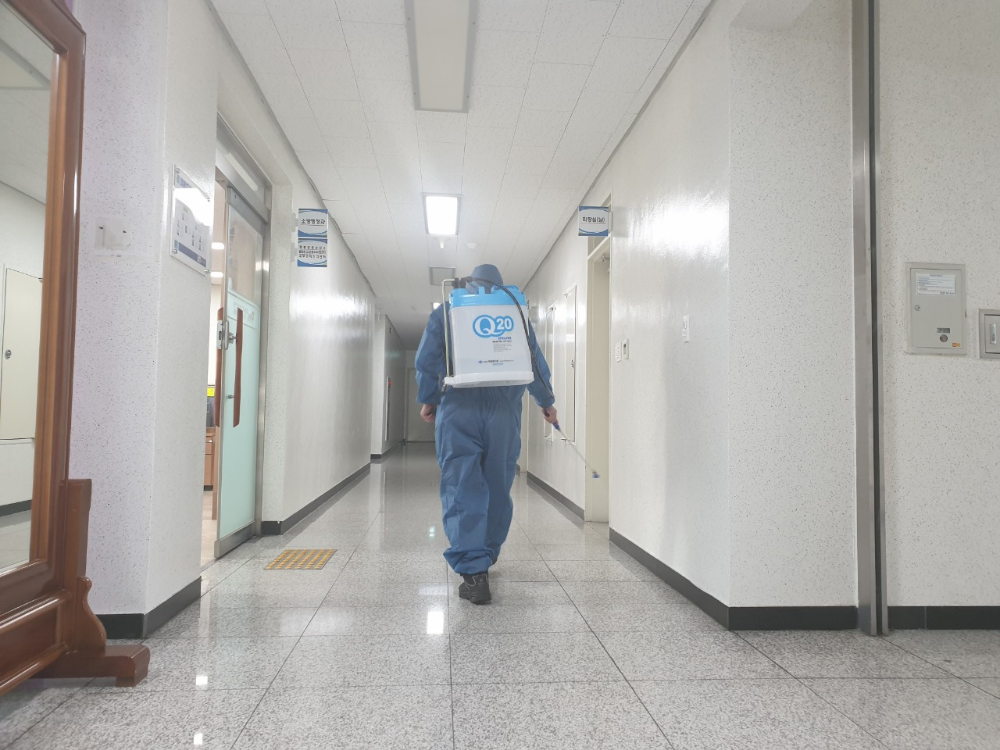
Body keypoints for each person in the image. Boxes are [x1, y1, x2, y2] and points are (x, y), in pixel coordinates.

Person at [415, 264, 557, 605]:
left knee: (462, 486)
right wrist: (546, 401)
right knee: (497, 487)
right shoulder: (515, 312)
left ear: (470, 283)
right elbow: (534, 362)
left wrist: (429, 400)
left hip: (458, 412)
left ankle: (474, 572)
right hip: (503, 415)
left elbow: (428, 361)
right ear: (500, 286)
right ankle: (487, 556)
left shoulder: (447, 311)